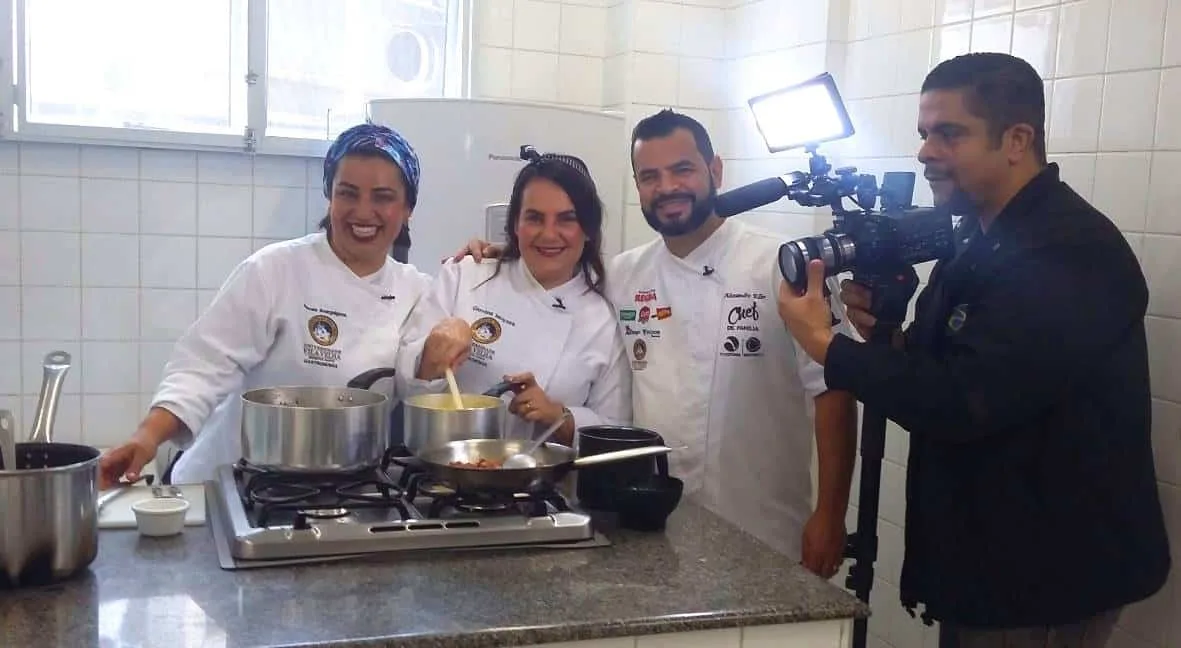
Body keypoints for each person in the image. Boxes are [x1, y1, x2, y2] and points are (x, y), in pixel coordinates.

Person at [777, 53, 1170, 646]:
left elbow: (962, 401)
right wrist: (884, 337)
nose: (925, 152)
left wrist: (823, 344)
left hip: (1044, 580)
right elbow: (949, 365)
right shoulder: (983, 239)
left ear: (1017, 140)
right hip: (988, 562)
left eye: (948, 133)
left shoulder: (1069, 251)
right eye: (923, 134)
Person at [451, 111, 858, 578]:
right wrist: (498, 254)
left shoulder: (779, 264)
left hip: (763, 523)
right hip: (651, 524)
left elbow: (834, 392)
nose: (667, 187)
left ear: (715, 171)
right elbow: (555, 263)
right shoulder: (625, 273)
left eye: (682, 169)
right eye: (650, 176)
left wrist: (830, 514)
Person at [98, 122, 441, 487]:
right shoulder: (276, 269)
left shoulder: (417, 292)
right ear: (330, 196)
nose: (363, 210)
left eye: (383, 197)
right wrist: (148, 436)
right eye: (348, 193)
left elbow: (421, 390)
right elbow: (205, 364)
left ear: (407, 209)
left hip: (336, 494)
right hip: (227, 487)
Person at [400, 151, 630, 444]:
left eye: (566, 219)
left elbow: (613, 427)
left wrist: (559, 415)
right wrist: (431, 356)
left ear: (588, 230)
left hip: (543, 484)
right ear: (515, 225)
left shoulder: (604, 321)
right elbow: (406, 388)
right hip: (444, 474)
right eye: (534, 218)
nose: (549, 234)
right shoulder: (466, 276)